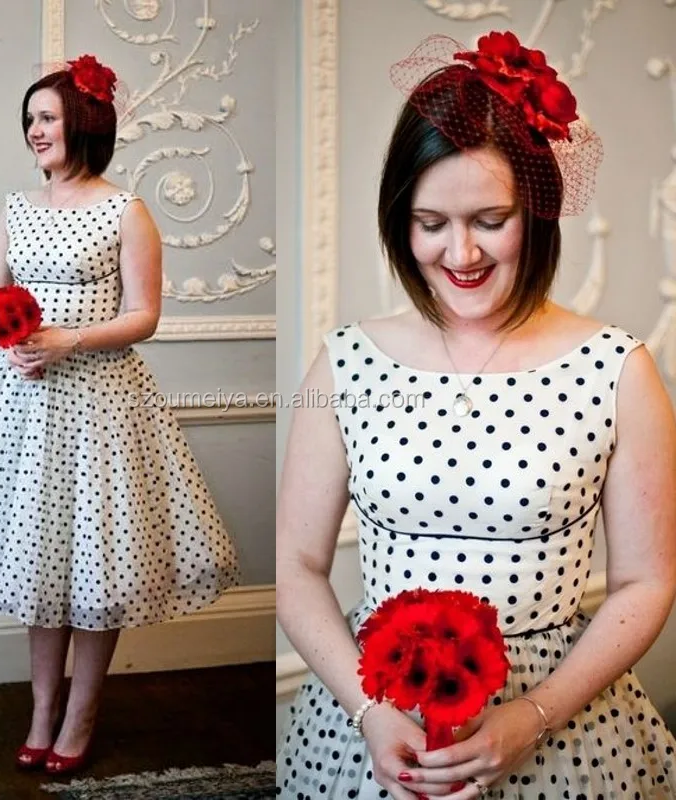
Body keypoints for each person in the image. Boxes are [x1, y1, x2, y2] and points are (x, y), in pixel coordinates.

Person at [276, 31, 676, 799]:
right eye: (431, 223)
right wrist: (366, 710)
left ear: (540, 209)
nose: (460, 253)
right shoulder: (345, 361)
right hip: (377, 713)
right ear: (402, 221)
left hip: (557, 721)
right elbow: (296, 568)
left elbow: (645, 581)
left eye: (491, 219)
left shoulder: (619, 368)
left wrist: (532, 714)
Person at [0, 54, 239, 776]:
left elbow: (145, 316)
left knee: (99, 569)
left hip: (102, 405)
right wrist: (13, 341)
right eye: (30, 119)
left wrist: (65, 340)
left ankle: (83, 712)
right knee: (41, 565)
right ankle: (41, 710)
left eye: (47, 117)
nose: (35, 130)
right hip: (24, 406)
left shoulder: (125, 209)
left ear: (84, 122)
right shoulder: (15, 207)